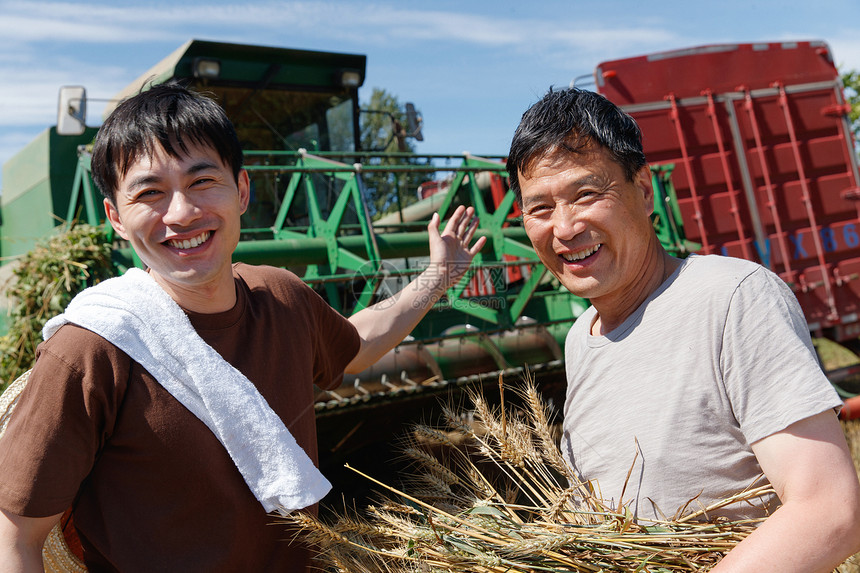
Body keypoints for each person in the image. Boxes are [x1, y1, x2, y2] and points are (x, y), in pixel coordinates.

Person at [0, 83, 485, 572]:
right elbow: (16, 538)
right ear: (116, 219)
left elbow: (356, 344)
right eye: (149, 192)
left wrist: (438, 276)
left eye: (202, 181)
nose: (182, 214)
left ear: (243, 190)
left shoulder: (282, 297)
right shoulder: (90, 350)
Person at [506, 87, 860, 572]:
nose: (564, 228)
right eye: (540, 208)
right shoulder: (581, 337)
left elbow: (828, 510)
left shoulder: (733, 297)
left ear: (644, 190)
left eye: (586, 194)